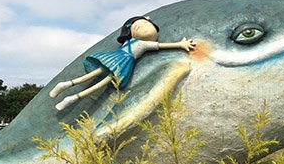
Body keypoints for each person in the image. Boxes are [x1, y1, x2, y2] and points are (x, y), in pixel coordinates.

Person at [50, 16, 196, 111]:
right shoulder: (137, 43)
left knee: (102, 82)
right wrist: (180, 44)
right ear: (130, 32)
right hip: (118, 58)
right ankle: (66, 86)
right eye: (138, 26)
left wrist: (180, 44)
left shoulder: (141, 44)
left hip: (123, 61)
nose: (144, 26)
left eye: (146, 23)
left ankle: (70, 97)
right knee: (97, 75)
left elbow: (159, 45)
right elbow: (161, 46)